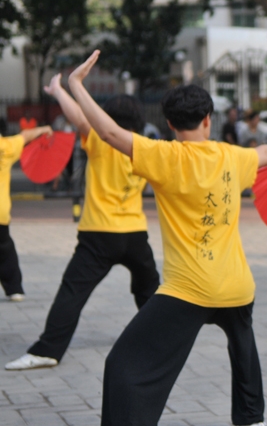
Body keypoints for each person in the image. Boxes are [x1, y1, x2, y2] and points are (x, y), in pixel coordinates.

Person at [67, 50, 267, 426]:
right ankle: (252, 417)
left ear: (169, 123)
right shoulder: (233, 156)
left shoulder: (165, 157)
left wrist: (74, 86)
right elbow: (265, 153)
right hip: (237, 286)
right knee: (242, 345)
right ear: (209, 120)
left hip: (190, 290)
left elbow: (110, 133)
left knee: (122, 364)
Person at [5, 60, 161, 371]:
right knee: (149, 291)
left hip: (99, 235)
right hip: (135, 235)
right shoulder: (146, 147)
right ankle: (161, 341)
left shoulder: (103, 142)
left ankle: (48, 349)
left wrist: (59, 91)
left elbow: (79, 118)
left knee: (72, 292)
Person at [0, 124, 53, 301]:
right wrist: (43, 129)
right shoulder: (5, 147)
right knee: (5, 250)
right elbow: (25, 135)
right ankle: (14, 289)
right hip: (1, 213)